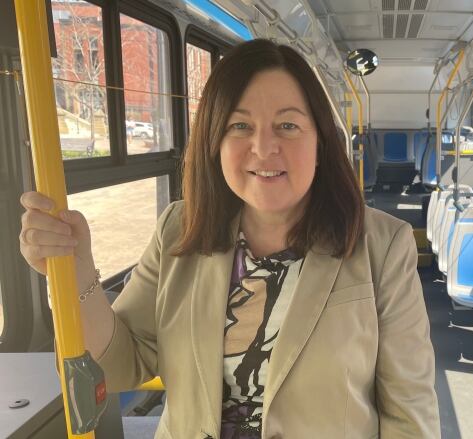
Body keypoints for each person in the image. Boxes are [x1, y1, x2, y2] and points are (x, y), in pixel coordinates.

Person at [19, 38, 440, 439]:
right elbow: (115, 366)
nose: (263, 147)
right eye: (240, 125)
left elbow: (409, 410)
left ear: (321, 142)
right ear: (215, 140)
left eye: (288, 125)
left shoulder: (382, 246)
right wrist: (76, 280)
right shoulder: (179, 229)